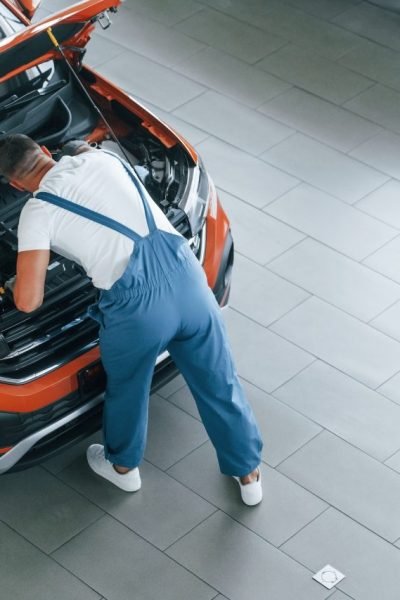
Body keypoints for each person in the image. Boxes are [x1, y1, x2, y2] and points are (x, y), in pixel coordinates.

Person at [0, 133, 263, 506]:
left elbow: (28, 301)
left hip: (137, 309)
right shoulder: (103, 161)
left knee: (128, 387)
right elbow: (85, 151)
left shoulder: (37, 212)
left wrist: (14, 284)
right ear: (44, 151)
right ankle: (248, 473)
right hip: (187, 276)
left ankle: (123, 469)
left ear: (13, 184)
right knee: (219, 380)